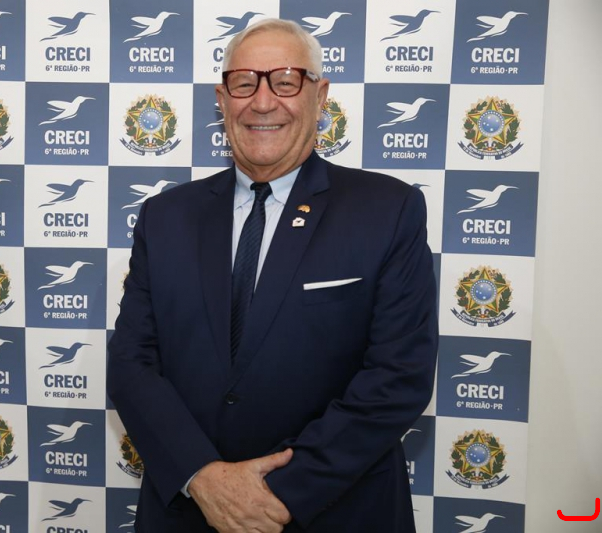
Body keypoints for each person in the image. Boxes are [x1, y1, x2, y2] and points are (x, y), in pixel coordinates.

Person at [108, 18, 438, 533]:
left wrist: (273, 496)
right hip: (190, 511)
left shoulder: (388, 209)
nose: (263, 103)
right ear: (222, 99)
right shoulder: (165, 216)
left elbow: (399, 377)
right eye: (244, 83)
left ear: (319, 96)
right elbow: (131, 363)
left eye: (285, 81)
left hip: (333, 511)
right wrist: (204, 478)